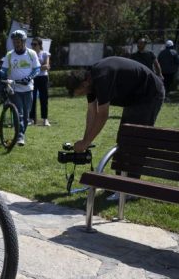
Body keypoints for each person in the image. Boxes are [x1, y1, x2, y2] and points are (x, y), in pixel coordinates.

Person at [67, 56, 164, 199]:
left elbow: (102, 115)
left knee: (135, 142)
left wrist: (86, 143)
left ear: (84, 83)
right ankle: (120, 184)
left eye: (81, 92)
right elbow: (92, 112)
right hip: (135, 98)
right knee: (123, 140)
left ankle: (131, 190)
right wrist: (84, 140)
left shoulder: (102, 77)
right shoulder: (90, 81)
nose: (83, 95)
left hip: (149, 94)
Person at [0, 30, 39, 146]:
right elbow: (4, 69)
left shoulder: (31, 54)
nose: (16, 44)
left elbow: (36, 69)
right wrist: (1, 72)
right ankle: (20, 137)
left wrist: (29, 77)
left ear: (24, 41)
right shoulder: (10, 55)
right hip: (14, 88)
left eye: (18, 41)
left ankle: (19, 134)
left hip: (28, 89)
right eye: (14, 41)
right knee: (19, 114)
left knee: (26, 116)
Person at [29, 38, 51, 126]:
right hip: (33, 78)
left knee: (44, 99)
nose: (33, 46)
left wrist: (36, 67)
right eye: (32, 44)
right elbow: (29, 67)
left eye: (35, 44)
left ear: (40, 45)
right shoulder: (30, 54)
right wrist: (40, 67)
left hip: (43, 78)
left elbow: (47, 66)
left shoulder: (45, 53)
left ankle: (45, 119)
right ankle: (31, 119)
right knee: (32, 99)